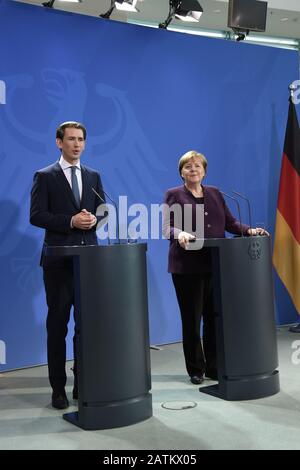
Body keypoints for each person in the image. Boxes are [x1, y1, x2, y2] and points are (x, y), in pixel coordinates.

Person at [163, 150, 268, 385]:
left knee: (214, 318)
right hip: (187, 267)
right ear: (181, 172)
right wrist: (179, 233)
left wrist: (250, 230)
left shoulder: (215, 193)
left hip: (216, 265)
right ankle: (195, 369)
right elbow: (167, 227)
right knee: (192, 320)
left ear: (204, 171)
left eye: (197, 166)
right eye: (188, 167)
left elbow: (230, 223)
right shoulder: (174, 195)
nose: (193, 170)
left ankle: (213, 365)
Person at [30, 121, 105, 409]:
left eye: (81, 139)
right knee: (58, 326)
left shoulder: (94, 175)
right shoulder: (45, 176)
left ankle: (82, 382)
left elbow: (103, 211)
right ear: (59, 142)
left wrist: (95, 220)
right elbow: (36, 215)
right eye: (71, 139)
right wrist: (70, 221)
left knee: (85, 327)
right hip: (58, 262)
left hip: (89, 263)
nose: (77, 144)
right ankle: (58, 388)